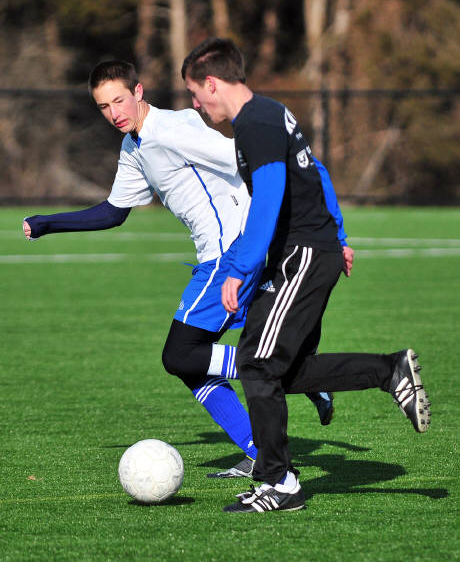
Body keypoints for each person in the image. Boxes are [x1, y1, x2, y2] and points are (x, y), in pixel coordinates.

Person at [22, 59, 353, 479]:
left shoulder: (171, 131)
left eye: (119, 100)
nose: (114, 113)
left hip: (229, 253)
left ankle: (288, 368)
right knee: (189, 363)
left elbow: (250, 159)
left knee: (180, 354)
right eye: (104, 106)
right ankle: (260, 445)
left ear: (138, 91)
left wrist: (327, 227)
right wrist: (47, 224)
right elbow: (113, 212)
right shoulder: (134, 146)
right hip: (221, 253)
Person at [181, 37, 431, 513]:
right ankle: (388, 370)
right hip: (308, 252)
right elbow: (318, 172)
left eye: (194, 93)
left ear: (212, 83)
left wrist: (240, 269)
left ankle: (280, 482)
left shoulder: (255, 123)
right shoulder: (269, 113)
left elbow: (269, 199)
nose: (195, 104)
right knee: (278, 369)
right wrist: (338, 235)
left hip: (301, 256)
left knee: (256, 364)